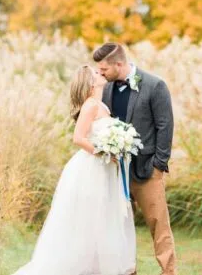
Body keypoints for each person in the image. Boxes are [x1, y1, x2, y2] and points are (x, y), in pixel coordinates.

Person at [12, 66, 136, 275]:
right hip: (91, 168)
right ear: (90, 83)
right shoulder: (90, 106)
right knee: (88, 217)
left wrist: (118, 146)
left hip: (105, 169)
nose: (101, 73)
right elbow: (78, 138)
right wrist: (103, 151)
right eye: (96, 74)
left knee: (103, 215)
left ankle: (98, 267)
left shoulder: (101, 105)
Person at [94, 42, 177, 275]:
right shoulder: (106, 89)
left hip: (146, 170)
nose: (99, 74)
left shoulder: (154, 85)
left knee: (158, 225)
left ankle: (169, 271)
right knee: (119, 227)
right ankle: (126, 271)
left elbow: (165, 126)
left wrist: (159, 165)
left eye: (103, 69)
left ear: (119, 64)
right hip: (115, 171)